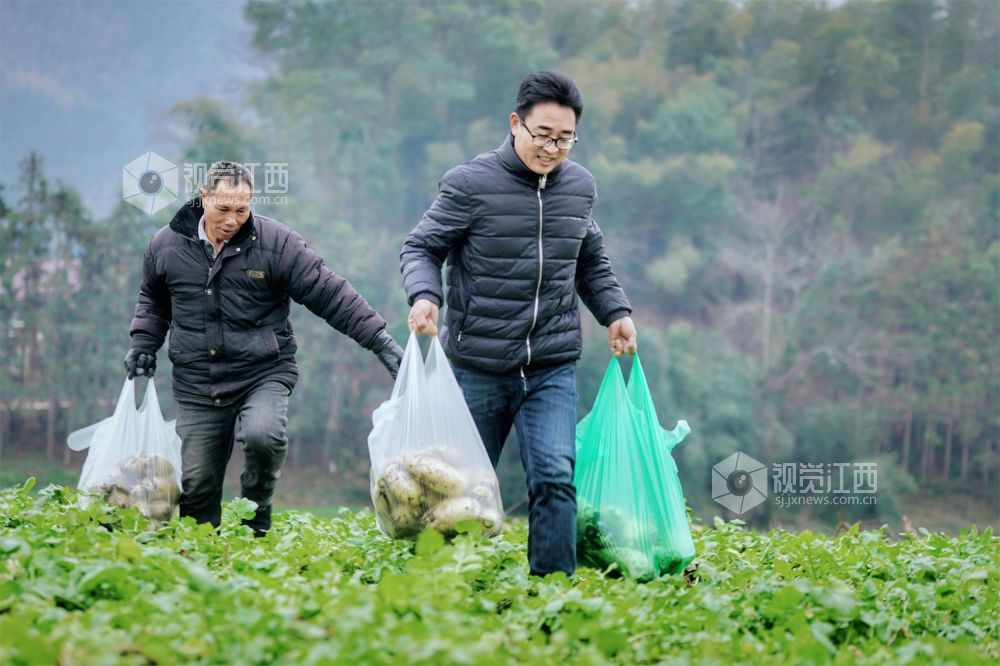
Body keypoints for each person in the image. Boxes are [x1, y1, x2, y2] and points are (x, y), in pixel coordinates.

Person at [401, 71, 637, 576]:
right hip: (477, 366)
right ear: (515, 123)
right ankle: (442, 587)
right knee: (458, 490)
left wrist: (616, 312)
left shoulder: (579, 188)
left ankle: (551, 591)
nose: (553, 148)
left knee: (554, 477)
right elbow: (421, 246)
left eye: (565, 138)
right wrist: (425, 295)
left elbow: (589, 261)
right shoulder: (470, 184)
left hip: (550, 366)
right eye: (543, 134)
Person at [126, 161, 403, 535]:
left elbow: (329, 293)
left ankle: (255, 517)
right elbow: (153, 301)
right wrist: (144, 342)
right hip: (198, 382)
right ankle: (203, 558)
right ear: (203, 198)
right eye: (223, 209)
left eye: (242, 209)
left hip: (263, 371)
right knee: (196, 488)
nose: (232, 219)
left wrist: (379, 341)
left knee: (263, 436)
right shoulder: (166, 245)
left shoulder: (277, 244)